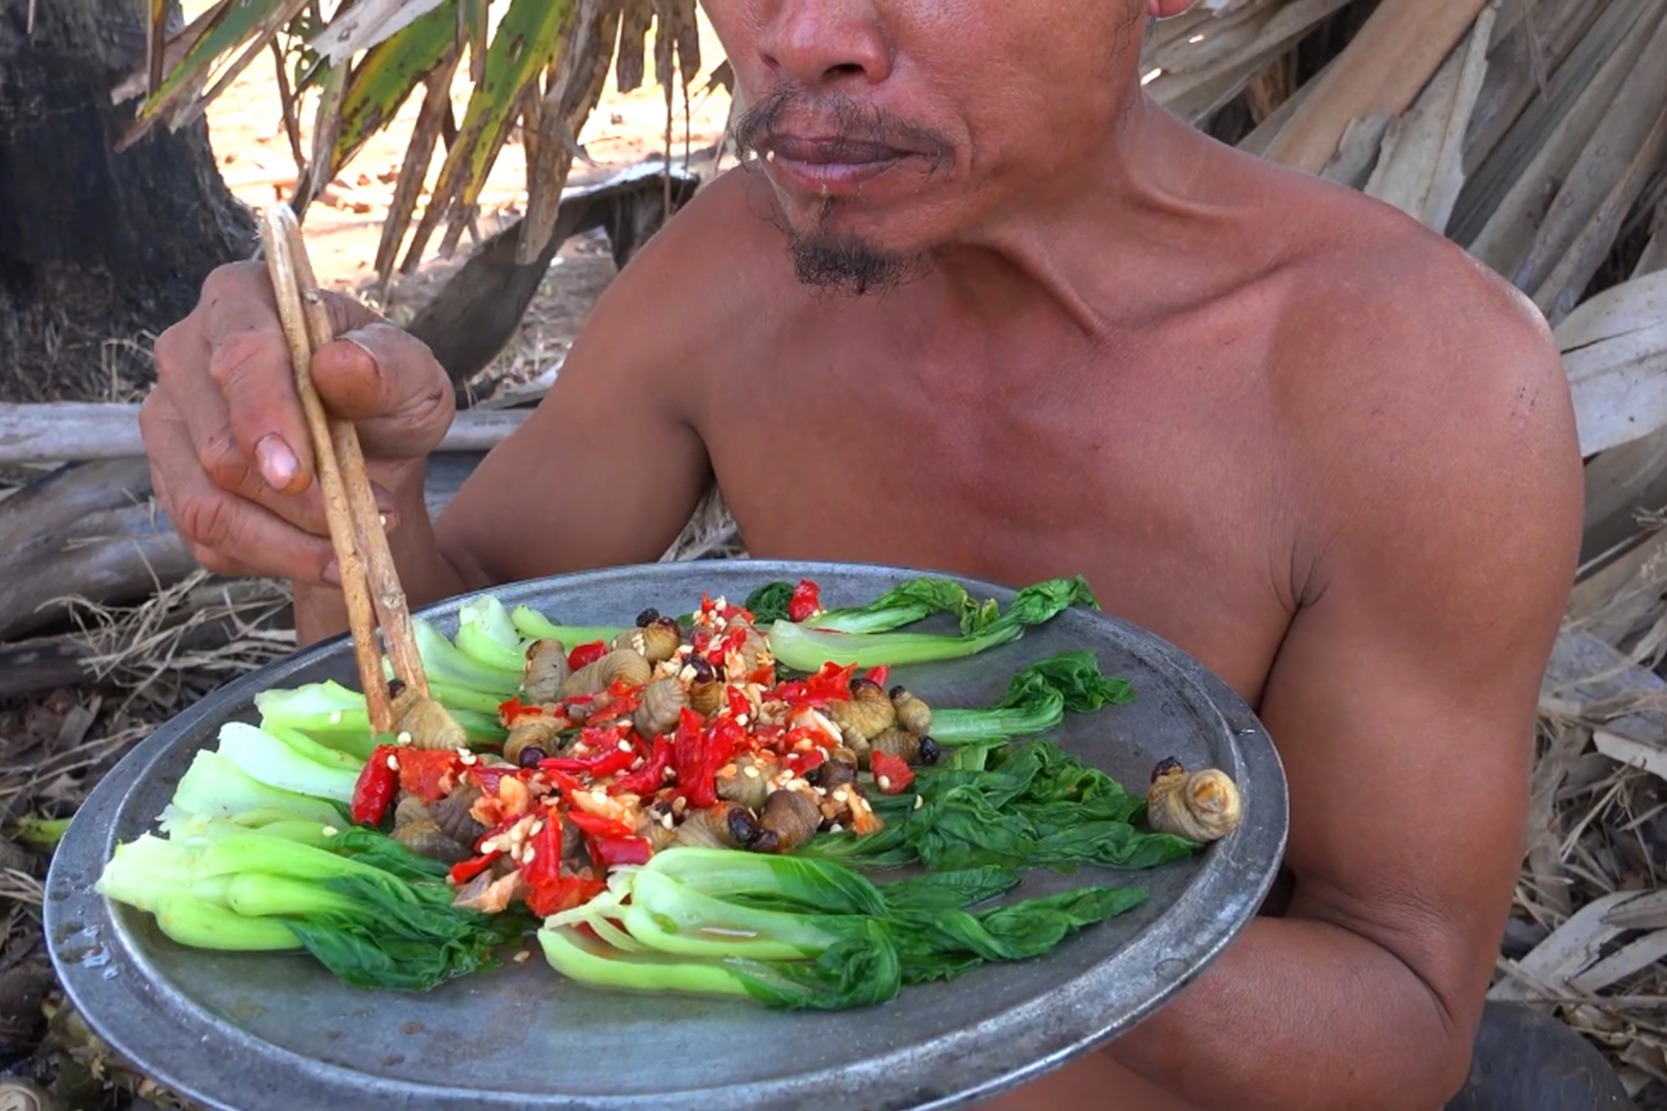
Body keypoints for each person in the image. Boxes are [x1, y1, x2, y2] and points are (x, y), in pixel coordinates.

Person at [137, 2, 1619, 1108]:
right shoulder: (732, 276)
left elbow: (1400, 1019)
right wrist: (350, 499)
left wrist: (884, 891)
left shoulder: (1404, 384)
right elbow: (447, 699)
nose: (806, 36)